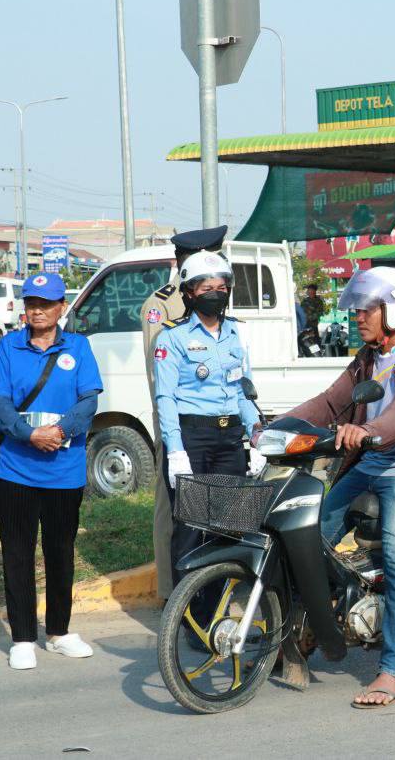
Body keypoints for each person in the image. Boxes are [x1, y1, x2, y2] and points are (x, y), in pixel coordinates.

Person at [284, 266, 395, 709]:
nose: (358, 316)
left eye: (367, 309)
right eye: (358, 309)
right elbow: (330, 402)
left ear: (394, 309)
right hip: (369, 464)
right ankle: (316, 625)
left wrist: (367, 431)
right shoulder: (367, 357)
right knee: (308, 537)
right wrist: (279, 426)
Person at [0, 273, 103, 670]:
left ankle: (58, 631)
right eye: (31, 303)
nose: (37, 310)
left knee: (60, 552)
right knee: (17, 553)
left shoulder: (79, 347)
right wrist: (30, 434)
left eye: (46, 303)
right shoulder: (8, 346)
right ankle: (22, 637)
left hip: (64, 470)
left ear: (61, 308)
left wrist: (60, 432)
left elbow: (89, 401)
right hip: (17, 469)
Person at [154, 250, 260, 611]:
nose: (216, 293)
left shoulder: (236, 334)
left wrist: (256, 435)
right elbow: (165, 397)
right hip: (193, 441)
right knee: (191, 530)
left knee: (228, 529)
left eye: (221, 286)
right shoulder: (173, 337)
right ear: (189, 293)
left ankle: (217, 611)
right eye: (206, 288)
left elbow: (243, 390)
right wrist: (175, 450)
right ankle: (188, 618)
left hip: (229, 441)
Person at [140, 226, 227, 598]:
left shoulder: (217, 293)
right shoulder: (161, 305)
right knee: (174, 511)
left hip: (217, 427)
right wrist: (173, 435)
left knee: (215, 512)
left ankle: (212, 592)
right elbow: (159, 378)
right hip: (178, 425)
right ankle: (171, 594)